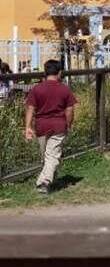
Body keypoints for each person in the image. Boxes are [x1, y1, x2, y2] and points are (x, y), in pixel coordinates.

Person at [24, 60, 77, 194]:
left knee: (47, 155)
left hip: (41, 126)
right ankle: (46, 182)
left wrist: (28, 126)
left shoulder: (37, 89)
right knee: (51, 155)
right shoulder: (65, 89)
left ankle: (45, 181)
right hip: (59, 125)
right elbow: (70, 111)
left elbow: (30, 108)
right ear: (60, 73)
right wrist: (68, 125)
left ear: (44, 72)